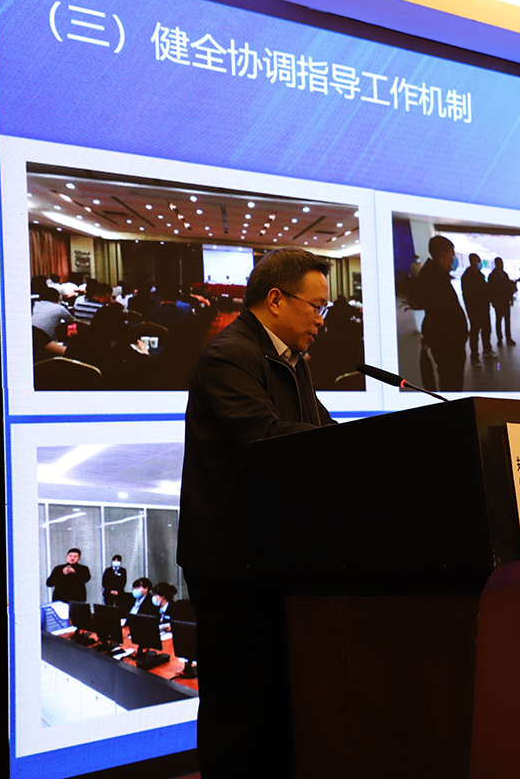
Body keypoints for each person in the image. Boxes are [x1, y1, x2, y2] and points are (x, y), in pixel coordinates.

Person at [178, 246, 336, 779]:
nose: (321, 319)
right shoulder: (228, 355)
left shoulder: (290, 361)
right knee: (238, 706)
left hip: (274, 555)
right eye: (316, 306)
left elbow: (324, 432)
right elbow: (266, 438)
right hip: (230, 561)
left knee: (277, 702)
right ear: (275, 300)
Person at [417, 235, 468, 391]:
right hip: (448, 344)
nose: (453, 258)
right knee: (451, 381)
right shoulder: (434, 279)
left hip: (448, 342)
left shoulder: (436, 275)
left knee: (449, 380)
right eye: (452, 253)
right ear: (443, 254)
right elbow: (440, 314)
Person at [461, 253, 493, 365]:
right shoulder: (467, 277)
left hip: (484, 308)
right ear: (472, 261)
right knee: (475, 333)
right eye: (477, 261)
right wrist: (470, 312)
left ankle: (487, 350)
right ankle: (474, 356)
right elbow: (467, 296)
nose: (479, 263)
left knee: (486, 330)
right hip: (475, 310)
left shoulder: (480, 275)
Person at [489, 256, 517, 346]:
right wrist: (493, 301)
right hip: (498, 301)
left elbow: (508, 287)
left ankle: (508, 338)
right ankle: (500, 339)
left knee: (507, 321)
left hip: (505, 301)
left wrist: (510, 299)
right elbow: (491, 290)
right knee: (499, 321)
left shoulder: (504, 275)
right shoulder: (492, 276)